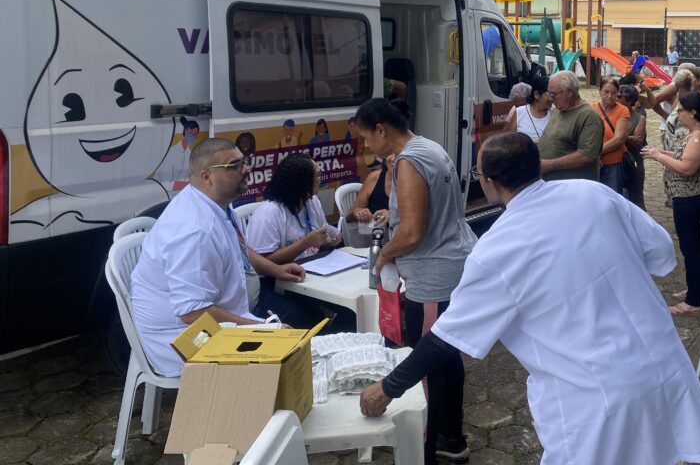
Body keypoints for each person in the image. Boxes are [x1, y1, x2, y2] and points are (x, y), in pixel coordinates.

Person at [359, 133, 700, 465]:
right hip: (663, 364)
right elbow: (661, 253)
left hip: (595, 398)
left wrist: (387, 388)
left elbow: (445, 338)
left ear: (490, 183)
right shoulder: (593, 193)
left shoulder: (497, 249)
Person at [353, 98, 476, 463]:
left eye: (366, 138)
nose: (366, 147)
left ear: (381, 129)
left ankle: (428, 446)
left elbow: (411, 234)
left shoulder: (409, 161)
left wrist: (385, 255)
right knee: (445, 356)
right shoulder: (428, 146)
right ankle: (451, 439)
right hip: (451, 263)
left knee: (428, 364)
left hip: (433, 275)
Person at [130, 138, 306, 378]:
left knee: (297, 330)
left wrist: (275, 270)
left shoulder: (214, 204)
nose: (246, 169)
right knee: (287, 353)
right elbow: (192, 312)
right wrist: (262, 328)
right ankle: (256, 412)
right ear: (207, 177)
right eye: (234, 166)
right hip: (184, 339)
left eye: (244, 162)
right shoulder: (195, 230)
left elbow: (237, 248)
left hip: (212, 320)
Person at [247, 153, 348, 329]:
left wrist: (327, 241)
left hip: (309, 275)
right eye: (316, 175)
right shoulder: (269, 213)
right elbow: (262, 263)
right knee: (309, 319)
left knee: (347, 311)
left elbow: (320, 236)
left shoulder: (311, 201)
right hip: (273, 284)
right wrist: (306, 242)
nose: (320, 178)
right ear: (301, 181)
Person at [645, 92, 700, 317]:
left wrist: (659, 157)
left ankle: (694, 301)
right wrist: (658, 152)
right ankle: (695, 289)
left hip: (691, 198)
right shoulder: (696, 133)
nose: (678, 115)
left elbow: (686, 167)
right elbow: (681, 155)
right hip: (692, 196)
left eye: (681, 111)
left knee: (691, 248)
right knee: (694, 247)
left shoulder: (699, 136)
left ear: (693, 112)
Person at [537, 70, 603, 181]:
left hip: (572, 188)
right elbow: (555, 140)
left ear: (569, 92)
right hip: (553, 184)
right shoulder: (559, 109)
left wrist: (548, 165)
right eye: (549, 94)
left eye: (554, 95)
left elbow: (586, 156)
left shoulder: (588, 116)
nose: (550, 99)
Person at [592, 76, 631, 193]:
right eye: (606, 92)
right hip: (592, 164)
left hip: (612, 163)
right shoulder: (591, 108)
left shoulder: (622, 110)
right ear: (600, 91)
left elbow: (619, 138)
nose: (610, 96)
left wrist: (596, 152)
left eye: (613, 93)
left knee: (612, 198)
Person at [619, 84, 648, 210]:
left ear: (630, 101)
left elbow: (637, 141)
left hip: (633, 162)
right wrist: (626, 138)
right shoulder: (612, 114)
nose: (616, 99)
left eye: (620, 97)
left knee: (636, 199)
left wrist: (617, 138)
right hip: (615, 162)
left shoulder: (639, 118)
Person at [505, 75, 552, 143]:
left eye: (554, 94)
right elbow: (507, 139)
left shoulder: (555, 113)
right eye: (549, 95)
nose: (552, 99)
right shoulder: (519, 112)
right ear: (536, 94)